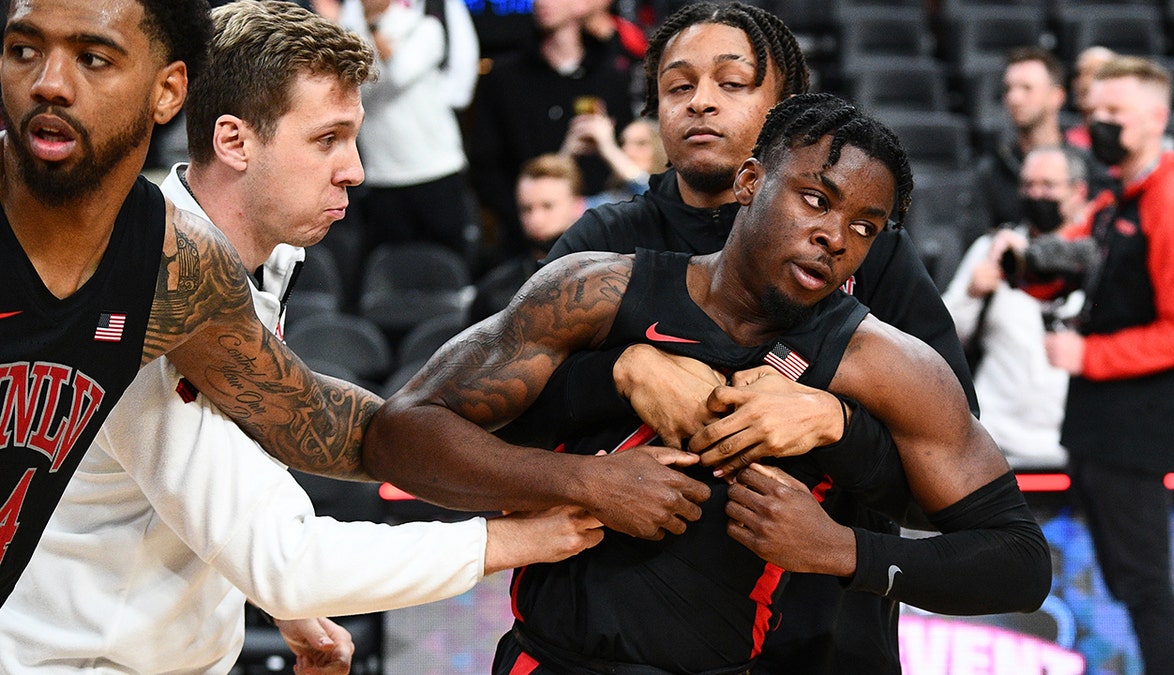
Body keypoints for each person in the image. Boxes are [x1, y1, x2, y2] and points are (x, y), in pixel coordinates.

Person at [0, 3, 604, 673]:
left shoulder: (260, 261)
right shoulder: (151, 285)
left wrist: (286, 608)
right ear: (234, 141)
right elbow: (285, 556)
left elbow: (236, 479)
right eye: (328, 139)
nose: (356, 168)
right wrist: (525, 536)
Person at [365, 92, 1051, 674]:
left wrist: (842, 548)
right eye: (816, 199)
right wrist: (584, 482)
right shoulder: (598, 290)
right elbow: (401, 435)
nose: (834, 236)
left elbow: (1020, 563)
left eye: (863, 227)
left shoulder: (887, 363)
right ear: (750, 181)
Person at [499, 5, 977, 670]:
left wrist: (836, 423)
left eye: (732, 84)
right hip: (610, 643)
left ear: (787, 112)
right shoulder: (599, 244)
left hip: (825, 641)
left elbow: (944, 472)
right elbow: (499, 428)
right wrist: (620, 372)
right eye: (678, 86)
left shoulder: (870, 253)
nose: (700, 103)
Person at [1033, 56, 1174, 674]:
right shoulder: (1118, 196)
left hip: (1133, 430)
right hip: (1099, 427)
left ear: (1156, 118)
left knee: (1148, 591)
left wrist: (1088, 354)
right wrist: (1036, 276)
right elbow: (1090, 283)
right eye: (1094, 112)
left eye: (1115, 113)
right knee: (1127, 588)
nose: (1098, 124)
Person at [942, 145, 1091, 469]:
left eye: (1048, 186)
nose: (1036, 195)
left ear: (1078, 192)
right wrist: (972, 292)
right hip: (995, 441)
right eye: (1029, 185)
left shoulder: (1097, 258)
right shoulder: (993, 248)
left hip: (1075, 444)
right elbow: (939, 338)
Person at [468, 0, 637, 261]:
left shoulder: (611, 75)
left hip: (608, 240)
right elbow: (484, 166)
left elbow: (637, 154)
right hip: (526, 246)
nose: (541, 2)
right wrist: (527, 217)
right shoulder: (503, 79)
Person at [333, 0, 480, 257]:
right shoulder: (348, 37)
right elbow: (351, 90)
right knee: (392, 269)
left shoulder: (424, 27)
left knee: (449, 261)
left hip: (436, 169)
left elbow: (398, 74)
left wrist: (374, 29)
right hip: (383, 175)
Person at [470, 153, 587, 323]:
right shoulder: (494, 292)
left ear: (578, 206)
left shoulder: (605, 277)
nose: (536, 220)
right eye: (526, 209)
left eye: (548, 206)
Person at [974, 46, 1069, 231]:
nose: (1014, 98)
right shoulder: (992, 170)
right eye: (1009, 89)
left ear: (1056, 96)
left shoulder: (1083, 164)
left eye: (1027, 88)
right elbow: (977, 237)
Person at [561, 115, 668, 208]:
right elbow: (561, 207)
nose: (627, 151)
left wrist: (608, 147)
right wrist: (568, 153)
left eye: (641, 143)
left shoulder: (673, 194)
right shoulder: (611, 202)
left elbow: (647, 190)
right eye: (623, 143)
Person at [1063, 45, 1117, 150]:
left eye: (1093, 73)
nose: (1083, 82)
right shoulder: (1064, 138)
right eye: (1079, 74)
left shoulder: (1124, 138)